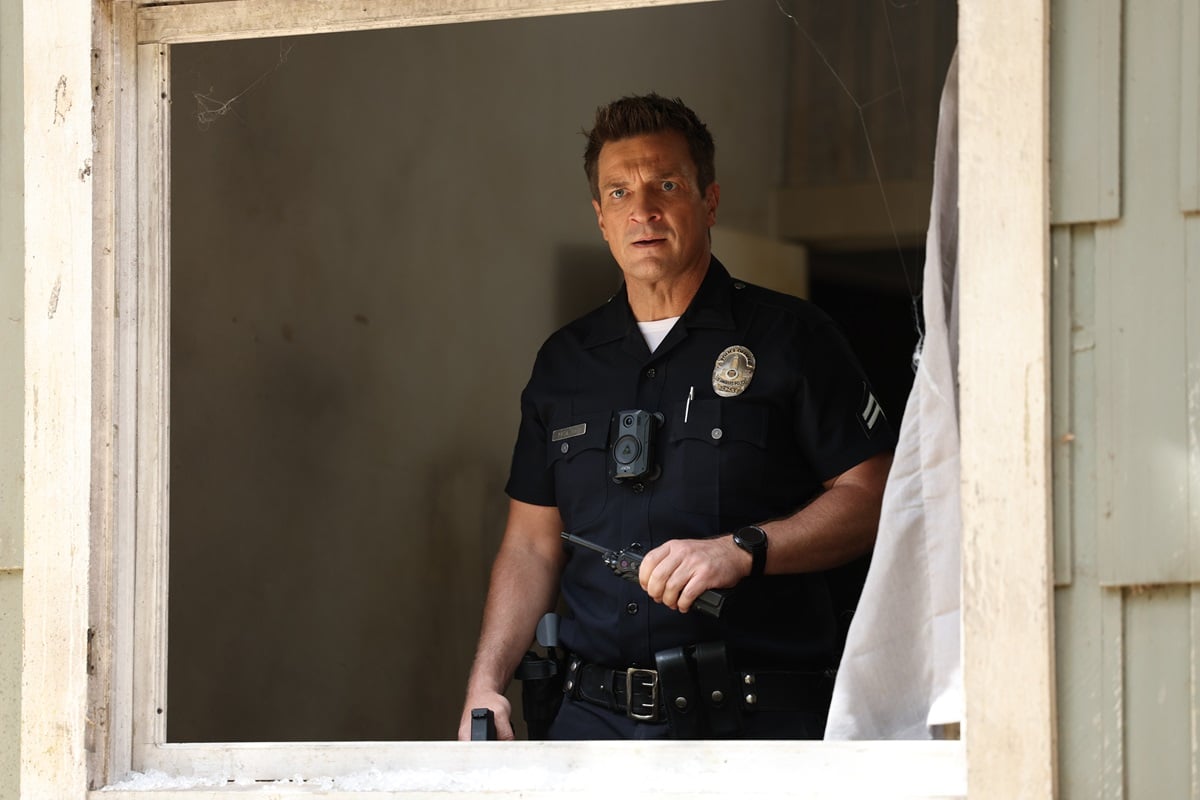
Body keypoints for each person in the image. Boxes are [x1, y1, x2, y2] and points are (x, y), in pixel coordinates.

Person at [457, 93, 895, 741]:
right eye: (618, 193)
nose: (643, 210)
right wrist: (485, 683)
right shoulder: (563, 364)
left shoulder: (793, 337)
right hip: (590, 727)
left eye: (666, 184)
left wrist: (744, 549)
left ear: (709, 201)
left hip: (752, 726)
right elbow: (530, 544)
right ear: (600, 219)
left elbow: (877, 494)